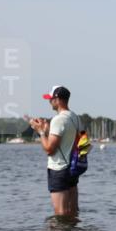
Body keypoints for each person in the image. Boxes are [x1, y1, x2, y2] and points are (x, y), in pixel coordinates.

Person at [29, 86, 82, 217]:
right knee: (72, 211)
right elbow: (69, 140)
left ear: (57, 99)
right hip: (73, 168)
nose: (49, 102)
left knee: (61, 213)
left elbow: (49, 149)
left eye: (51, 99)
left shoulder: (58, 119)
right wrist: (47, 130)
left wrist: (40, 132)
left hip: (59, 169)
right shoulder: (75, 117)